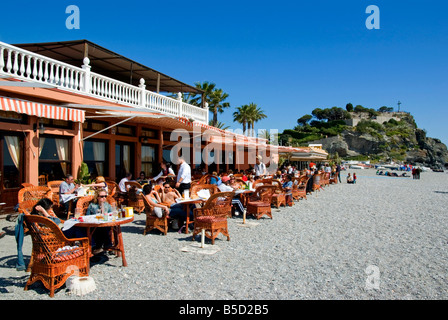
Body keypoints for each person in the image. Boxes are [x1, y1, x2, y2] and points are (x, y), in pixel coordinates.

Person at [85, 188, 113, 253]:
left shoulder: (107, 205)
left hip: (106, 224)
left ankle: (100, 247)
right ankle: (107, 244)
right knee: (99, 228)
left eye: (105, 196)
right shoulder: (92, 205)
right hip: (94, 224)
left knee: (103, 227)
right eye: (102, 196)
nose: (104, 198)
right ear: (97, 197)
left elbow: (111, 215)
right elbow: (87, 216)